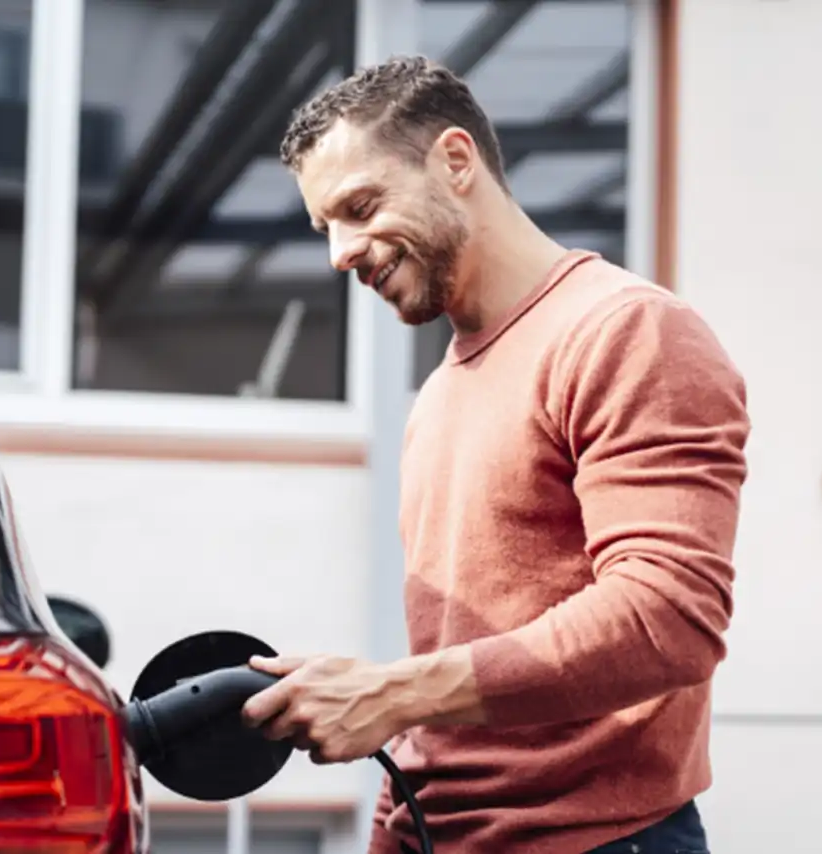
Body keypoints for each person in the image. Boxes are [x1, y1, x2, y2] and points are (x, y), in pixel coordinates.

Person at [241, 55, 750, 854]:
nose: (340, 251)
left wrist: (391, 693)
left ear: (454, 160)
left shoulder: (626, 332)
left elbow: (669, 618)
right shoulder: (441, 394)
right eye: (325, 227)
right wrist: (391, 823)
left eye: (360, 206)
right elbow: (441, 677)